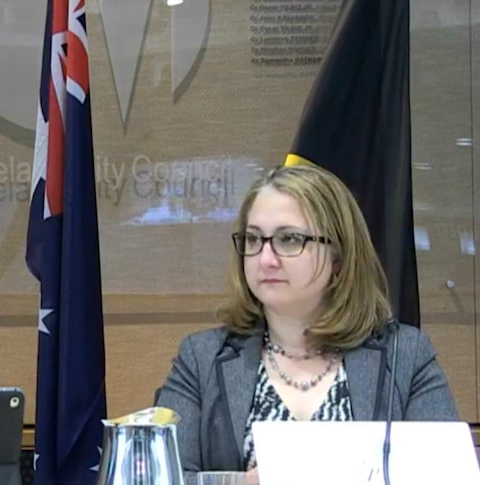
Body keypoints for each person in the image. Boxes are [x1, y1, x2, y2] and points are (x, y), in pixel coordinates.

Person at [156, 164, 458, 485]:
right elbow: (159, 478)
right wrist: (244, 483)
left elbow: (447, 476)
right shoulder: (201, 358)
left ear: (338, 258)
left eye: (289, 239)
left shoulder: (407, 356)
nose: (266, 258)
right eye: (254, 239)